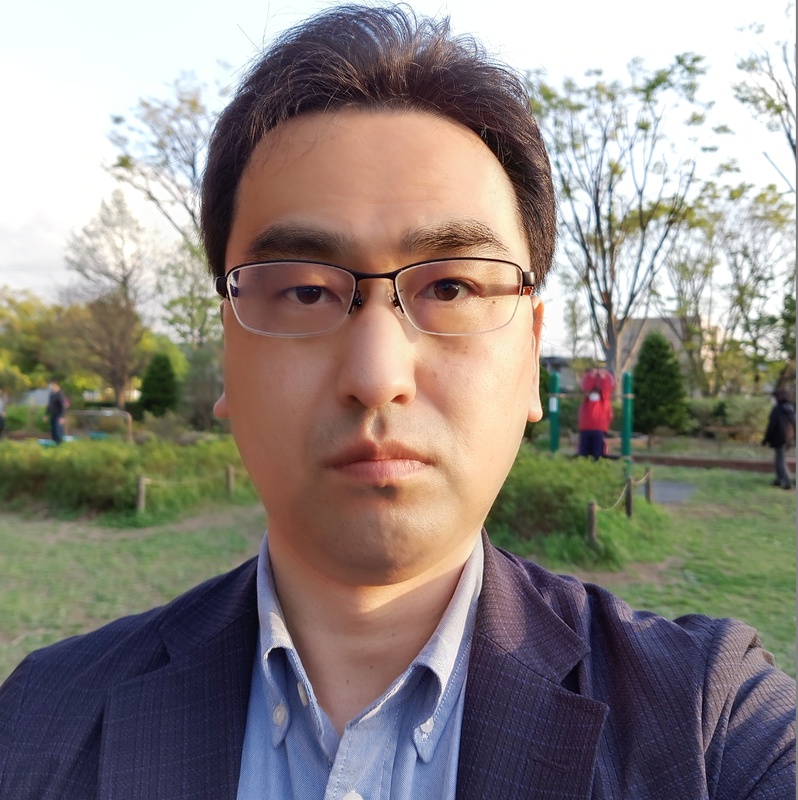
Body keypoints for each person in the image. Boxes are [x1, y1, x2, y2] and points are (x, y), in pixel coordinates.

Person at [0, 6, 793, 798]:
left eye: (451, 287)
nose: (378, 376)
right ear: (228, 354)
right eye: (304, 291)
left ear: (530, 354)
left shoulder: (711, 726)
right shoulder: (39, 725)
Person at [577, 368, 615, 459]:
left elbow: (607, 387)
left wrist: (603, 377)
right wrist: (592, 376)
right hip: (587, 429)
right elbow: (586, 387)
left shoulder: (604, 399)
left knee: (597, 454)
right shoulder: (587, 400)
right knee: (584, 454)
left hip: (598, 429)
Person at [762, 388, 796, 490]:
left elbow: (772, 425)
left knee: (780, 460)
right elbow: (794, 423)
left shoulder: (777, 410)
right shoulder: (790, 409)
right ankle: (779, 479)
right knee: (779, 458)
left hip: (778, 437)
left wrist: (766, 439)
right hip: (788, 438)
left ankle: (787, 481)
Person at [43, 377, 66, 445]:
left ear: (56, 385)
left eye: (52, 386)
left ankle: (59, 445)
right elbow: (50, 405)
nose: (51, 387)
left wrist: (62, 417)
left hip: (59, 416)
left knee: (58, 431)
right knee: (53, 431)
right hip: (53, 415)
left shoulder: (60, 394)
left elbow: (63, 407)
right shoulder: (52, 394)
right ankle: (54, 445)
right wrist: (46, 414)